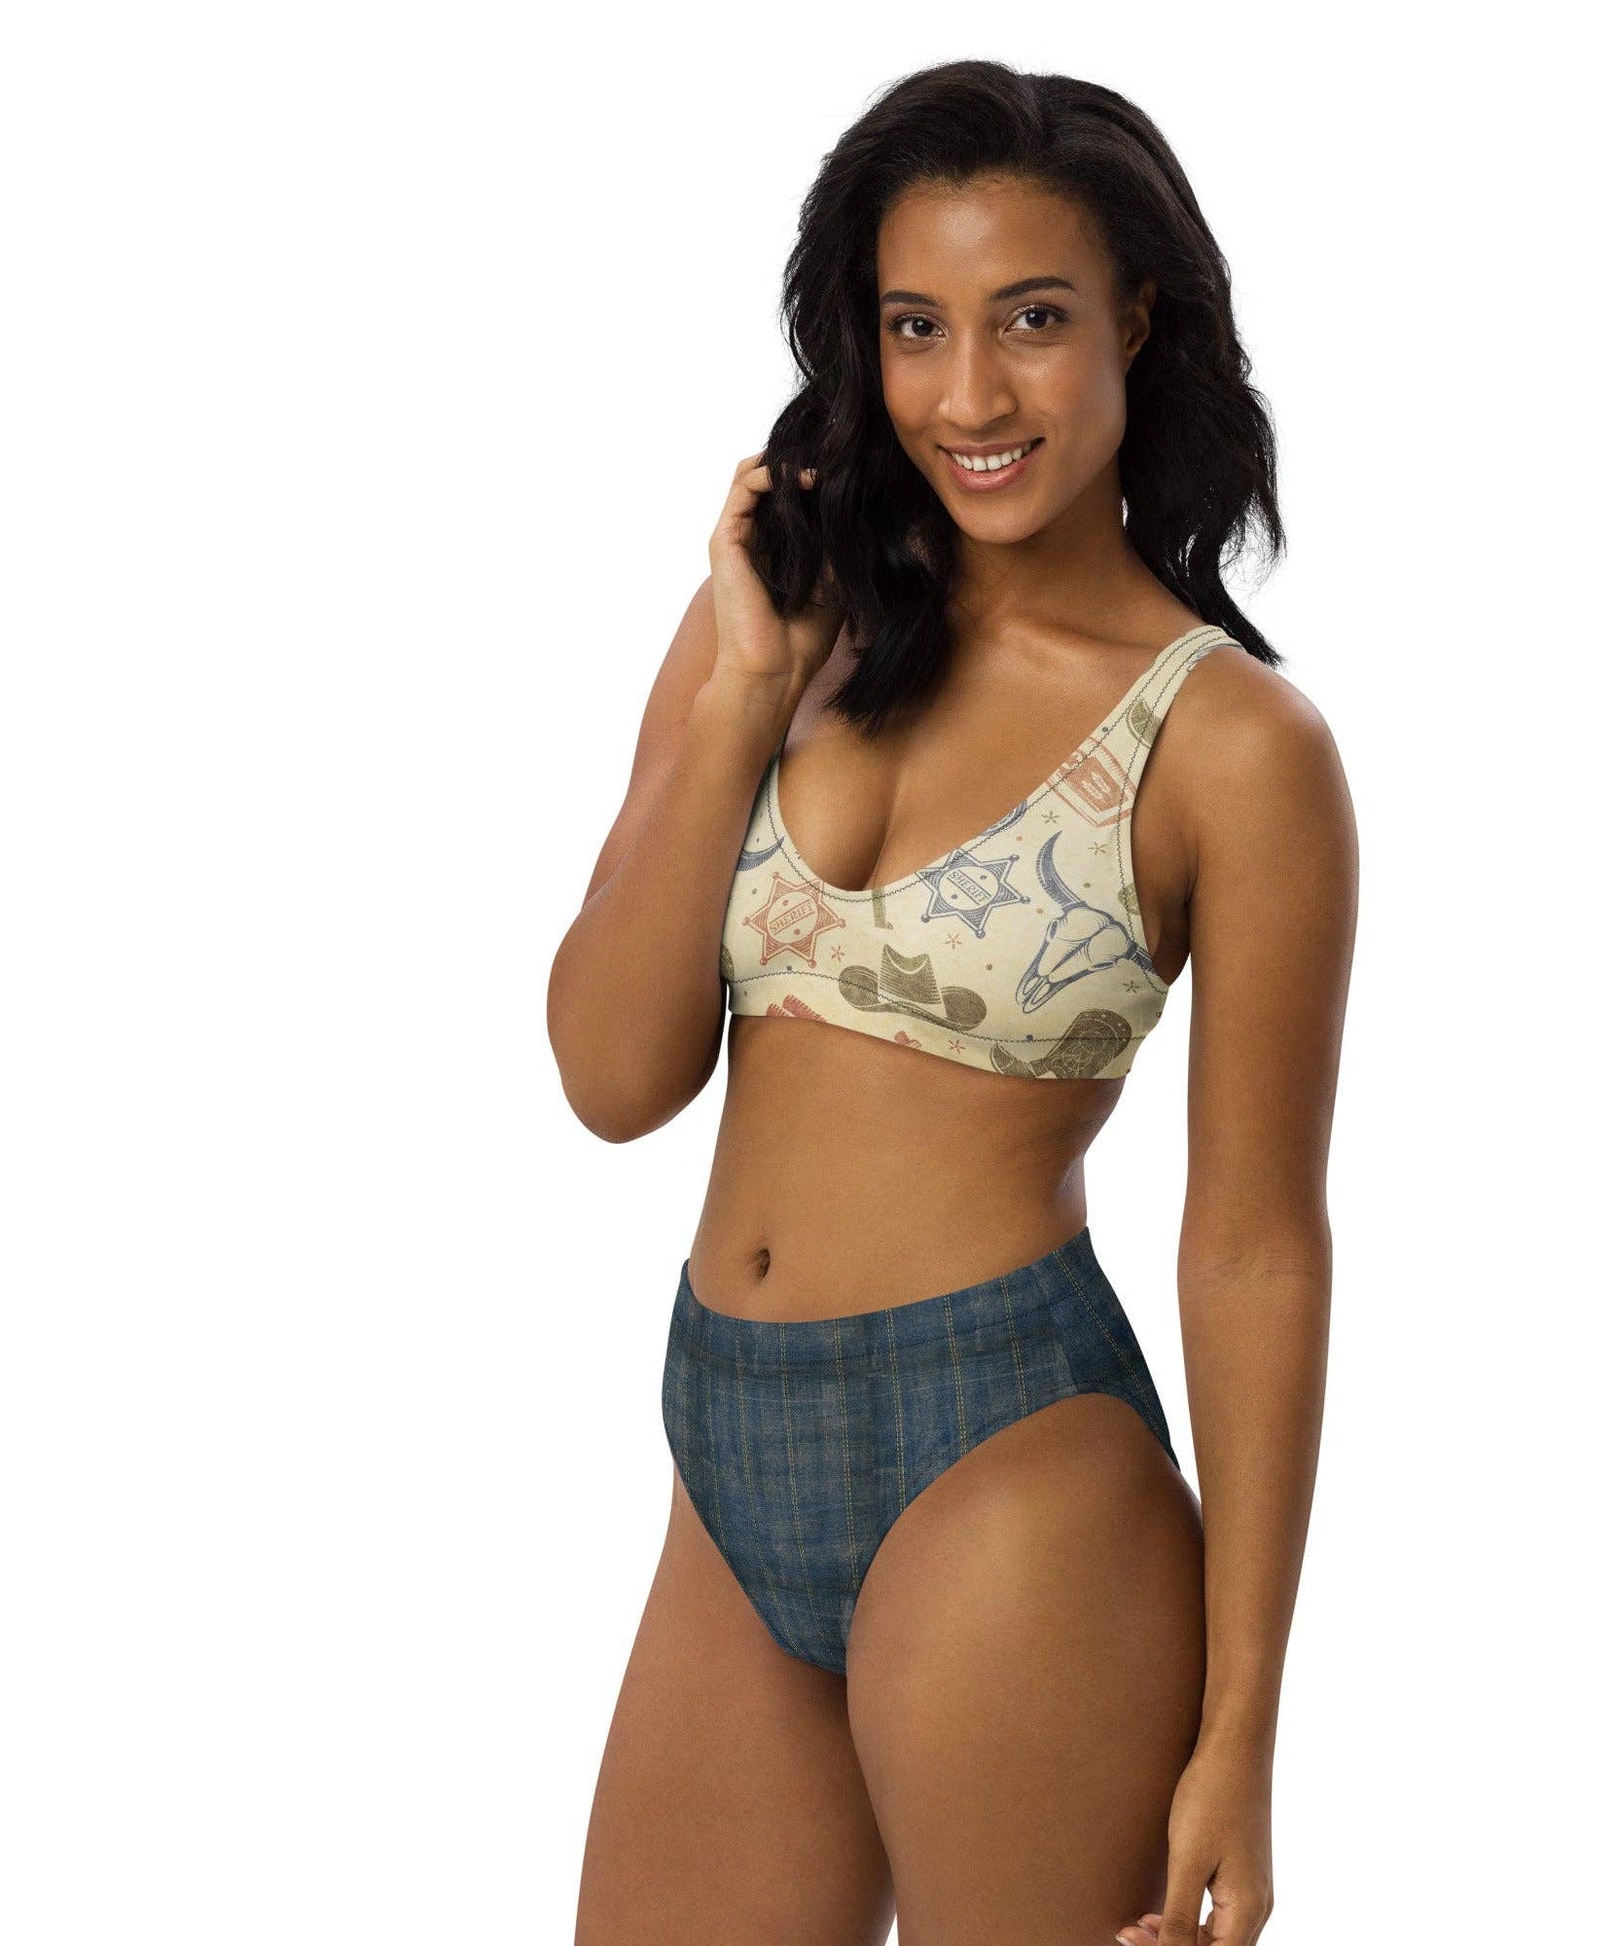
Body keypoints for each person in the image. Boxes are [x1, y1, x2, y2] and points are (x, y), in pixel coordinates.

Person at [547, 58, 1357, 1946]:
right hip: (723, 1439)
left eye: (1031, 321)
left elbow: (1254, 1247)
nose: (970, 397)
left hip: (1009, 1465)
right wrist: (744, 695)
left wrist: (1241, 1730)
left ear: (1135, 322)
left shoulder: (1231, 746)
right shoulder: (782, 620)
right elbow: (609, 1072)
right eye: (917, 327)